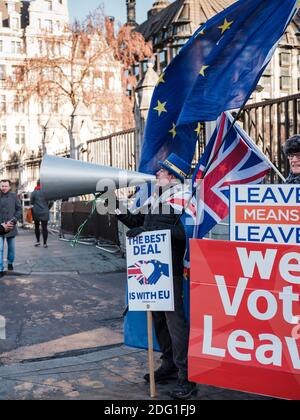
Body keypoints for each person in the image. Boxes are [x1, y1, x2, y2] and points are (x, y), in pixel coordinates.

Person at [116, 153, 197, 400]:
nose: (157, 174)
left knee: (175, 322)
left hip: (168, 268)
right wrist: (114, 204)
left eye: (161, 172)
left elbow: (183, 234)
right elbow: (135, 221)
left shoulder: (183, 199)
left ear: (172, 176)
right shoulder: (157, 198)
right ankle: (169, 364)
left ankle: (188, 379)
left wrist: (148, 229)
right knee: (160, 319)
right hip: (153, 265)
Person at [0, 180, 22, 277]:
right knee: (0, 248)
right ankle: (0, 269)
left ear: (9, 187)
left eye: (6, 186)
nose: (4, 188)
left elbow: (19, 209)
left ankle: (10, 263)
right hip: (0, 227)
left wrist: (14, 220)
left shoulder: (14, 196)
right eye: (2, 186)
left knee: (11, 248)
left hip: (11, 226)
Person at [30, 180, 52, 248]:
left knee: (36, 227)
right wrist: (47, 208)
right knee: (44, 228)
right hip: (45, 212)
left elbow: (31, 202)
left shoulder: (34, 192)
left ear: (37, 184)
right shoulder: (47, 192)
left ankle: (38, 241)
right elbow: (51, 201)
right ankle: (45, 243)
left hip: (36, 212)